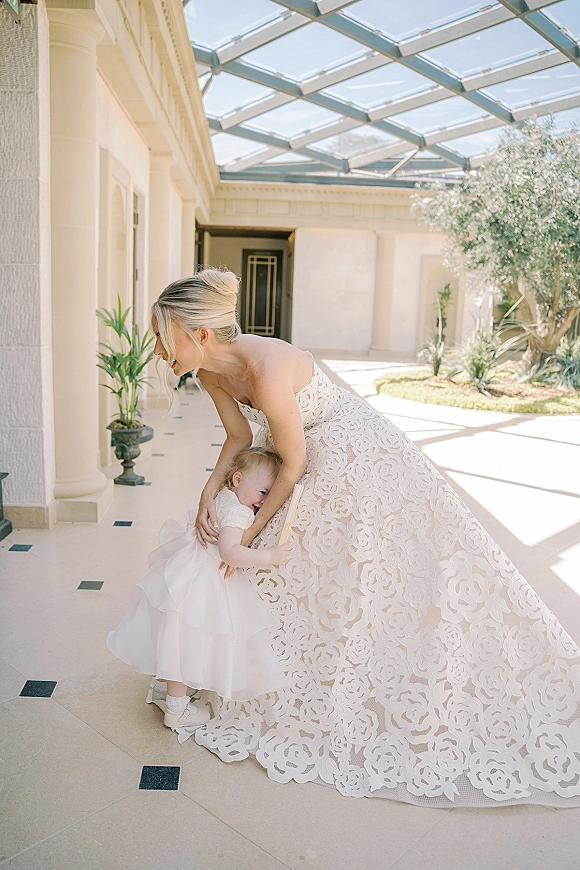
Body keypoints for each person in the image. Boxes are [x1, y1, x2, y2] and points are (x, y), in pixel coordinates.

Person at [149, 267, 580, 807]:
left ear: (201, 335)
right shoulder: (210, 371)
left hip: (349, 450)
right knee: (274, 567)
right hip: (291, 451)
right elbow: (239, 435)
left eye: (165, 337)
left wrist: (250, 533)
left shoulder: (265, 368)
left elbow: (294, 465)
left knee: (338, 559)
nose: (159, 350)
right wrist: (209, 494)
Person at [107, 446, 289, 741]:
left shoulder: (223, 497)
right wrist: (269, 556)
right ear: (238, 479)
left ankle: (162, 689)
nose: (264, 502)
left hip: (183, 574)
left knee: (172, 638)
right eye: (263, 493)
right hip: (201, 584)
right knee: (186, 644)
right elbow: (231, 553)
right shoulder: (239, 514)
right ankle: (177, 711)